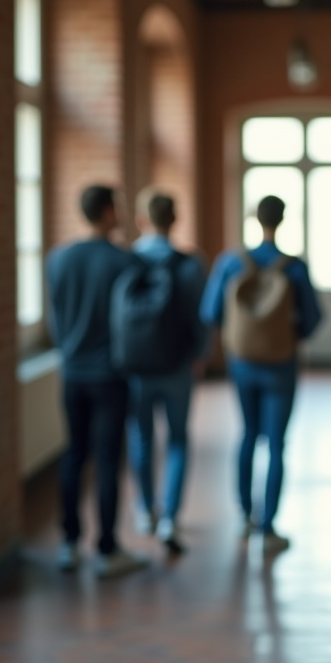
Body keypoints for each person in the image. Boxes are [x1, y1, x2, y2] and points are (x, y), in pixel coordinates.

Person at [200, 195, 322, 553]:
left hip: (242, 364)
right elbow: (313, 320)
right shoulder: (294, 267)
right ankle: (268, 530)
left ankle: (243, 518)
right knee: (277, 444)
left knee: (248, 434)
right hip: (281, 365)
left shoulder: (229, 262)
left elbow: (210, 313)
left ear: (256, 218)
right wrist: (286, 333)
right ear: (282, 220)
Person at [46, 185, 148, 578]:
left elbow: (56, 316)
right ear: (107, 212)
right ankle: (107, 547)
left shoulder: (58, 259)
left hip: (71, 372)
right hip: (110, 374)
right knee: (107, 460)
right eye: (118, 207)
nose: (121, 213)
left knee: (74, 453)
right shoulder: (125, 261)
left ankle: (69, 544)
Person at [125, 189, 208, 554]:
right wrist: (200, 355)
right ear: (174, 219)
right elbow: (201, 317)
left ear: (141, 220)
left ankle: (146, 509)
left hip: (136, 368)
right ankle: (171, 516)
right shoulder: (190, 264)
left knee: (140, 436)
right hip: (177, 366)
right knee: (177, 439)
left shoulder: (125, 261)